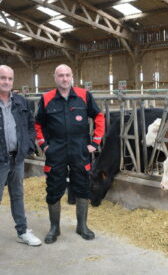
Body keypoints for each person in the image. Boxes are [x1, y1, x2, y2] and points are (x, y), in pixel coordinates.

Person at [35, 64, 105, 244]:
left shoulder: (83, 95)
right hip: (56, 151)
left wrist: (95, 142)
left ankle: (82, 226)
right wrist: (44, 145)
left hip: (79, 149)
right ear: (54, 77)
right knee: (53, 188)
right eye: (60, 75)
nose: (64, 79)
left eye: (67, 75)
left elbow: (98, 116)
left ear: (72, 76)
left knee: (82, 186)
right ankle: (54, 228)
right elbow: (38, 124)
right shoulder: (47, 98)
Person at [0, 65, 41, 246]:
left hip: (16, 158)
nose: (6, 82)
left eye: (9, 78)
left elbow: (31, 125)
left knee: (17, 195)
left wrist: (28, 146)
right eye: (2, 78)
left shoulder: (21, 101)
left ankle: (23, 231)